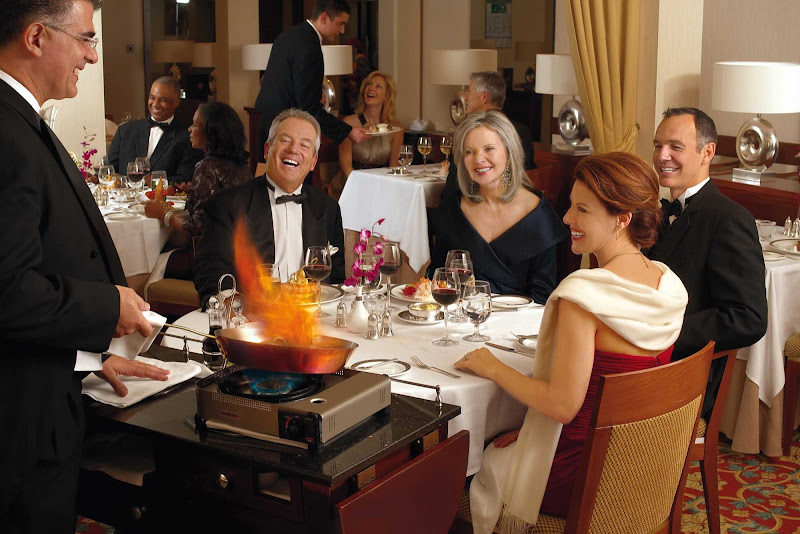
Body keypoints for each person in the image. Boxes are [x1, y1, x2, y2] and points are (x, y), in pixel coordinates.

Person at [0, 1, 170, 531]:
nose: (93, 56)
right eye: (85, 39)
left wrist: (86, 357)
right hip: (18, 433)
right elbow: (7, 293)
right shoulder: (6, 134)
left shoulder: (20, 119)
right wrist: (106, 307)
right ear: (35, 37)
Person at [454, 152, 688, 533]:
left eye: (583, 210)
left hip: (581, 476)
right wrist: (534, 429)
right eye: (570, 207)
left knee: (461, 468)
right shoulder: (666, 284)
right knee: (505, 440)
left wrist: (491, 367)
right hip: (642, 463)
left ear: (623, 219)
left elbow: (563, 405)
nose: (567, 219)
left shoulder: (583, 297)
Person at [647, 107, 767, 417]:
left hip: (685, 373)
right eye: (658, 145)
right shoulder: (654, 212)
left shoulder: (729, 219)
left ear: (707, 152)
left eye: (675, 146)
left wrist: (663, 332)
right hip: (643, 358)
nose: (662, 156)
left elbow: (748, 318)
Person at [194, 108, 345, 307]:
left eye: (304, 145)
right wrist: (235, 306)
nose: (294, 150)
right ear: (267, 150)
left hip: (313, 320)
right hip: (253, 319)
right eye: (285, 140)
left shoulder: (327, 207)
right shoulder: (227, 204)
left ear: (313, 162)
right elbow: (211, 271)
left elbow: (336, 280)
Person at [429, 111, 567, 304]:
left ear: (509, 153)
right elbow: (436, 280)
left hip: (518, 328)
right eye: (469, 152)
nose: (478, 159)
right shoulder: (452, 210)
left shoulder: (538, 214)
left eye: (489, 149)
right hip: (460, 323)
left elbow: (543, 298)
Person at [253, 0, 368, 164]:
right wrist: (349, 132)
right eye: (340, 24)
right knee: (291, 186)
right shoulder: (310, 47)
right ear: (323, 18)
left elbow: (284, 83)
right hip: (287, 129)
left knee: (268, 184)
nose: (342, 31)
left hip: (266, 122)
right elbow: (308, 107)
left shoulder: (289, 34)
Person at [144, 101, 251, 240]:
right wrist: (195, 191)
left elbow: (197, 228)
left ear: (211, 131)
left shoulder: (206, 167)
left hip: (213, 253)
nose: (189, 129)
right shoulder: (242, 164)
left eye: (195, 124)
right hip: (241, 245)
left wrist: (162, 214)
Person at [441, 70, 536, 200]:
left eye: (469, 91)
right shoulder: (523, 131)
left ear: (484, 96)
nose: (466, 97)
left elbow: (452, 189)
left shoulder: (466, 134)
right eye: (470, 152)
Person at [108, 76, 203, 183]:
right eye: (152, 98)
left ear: (176, 102)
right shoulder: (125, 130)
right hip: (123, 199)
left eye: (162, 100)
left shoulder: (187, 138)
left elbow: (186, 178)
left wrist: (158, 181)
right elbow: (109, 170)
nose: (155, 104)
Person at [328, 70, 403, 196]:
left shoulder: (396, 128)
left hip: (381, 185)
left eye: (378, 86)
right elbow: (345, 165)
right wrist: (361, 187)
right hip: (350, 184)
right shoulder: (349, 123)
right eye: (369, 85)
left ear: (386, 96)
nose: (371, 88)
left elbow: (394, 166)